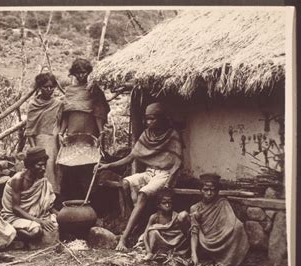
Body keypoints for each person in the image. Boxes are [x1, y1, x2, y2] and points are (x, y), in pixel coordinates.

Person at [97, 102, 183, 251]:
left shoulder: (172, 135)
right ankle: (134, 222)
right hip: (149, 172)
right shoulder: (146, 135)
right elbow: (131, 157)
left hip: (164, 174)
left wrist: (169, 182)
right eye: (147, 119)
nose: (149, 122)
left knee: (142, 194)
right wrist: (108, 166)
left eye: (153, 119)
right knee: (125, 183)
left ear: (162, 119)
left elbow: (177, 162)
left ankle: (124, 238)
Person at [58, 58, 110, 201]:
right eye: (78, 72)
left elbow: (99, 112)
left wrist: (100, 133)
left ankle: (90, 201)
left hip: (89, 133)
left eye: (84, 72)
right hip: (73, 134)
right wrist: (61, 133)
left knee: (89, 167)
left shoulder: (93, 89)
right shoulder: (70, 91)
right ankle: (72, 201)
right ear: (73, 73)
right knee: (70, 166)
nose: (81, 75)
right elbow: (66, 114)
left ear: (89, 72)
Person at [190, 173, 249, 266]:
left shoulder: (222, 203)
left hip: (221, 238)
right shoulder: (195, 208)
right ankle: (203, 256)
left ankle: (228, 259)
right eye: (206, 190)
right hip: (204, 241)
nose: (209, 193)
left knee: (238, 226)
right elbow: (194, 232)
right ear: (200, 190)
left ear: (217, 191)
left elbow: (231, 222)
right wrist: (194, 254)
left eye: (212, 190)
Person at [1, 147, 58, 241]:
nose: (43, 168)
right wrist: (40, 221)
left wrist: (61, 215)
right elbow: (16, 208)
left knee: (56, 224)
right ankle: (16, 234)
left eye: (44, 165)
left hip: (36, 215)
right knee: (36, 231)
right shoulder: (18, 180)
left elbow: (48, 206)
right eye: (39, 165)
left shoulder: (41, 180)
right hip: (14, 217)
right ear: (30, 165)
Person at [25, 73, 63, 194]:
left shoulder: (58, 104)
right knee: (43, 169)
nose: (49, 89)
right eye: (45, 86)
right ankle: (42, 196)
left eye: (51, 87)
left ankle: (55, 196)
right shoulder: (33, 105)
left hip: (55, 140)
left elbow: (61, 122)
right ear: (39, 87)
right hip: (40, 142)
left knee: (56, 168)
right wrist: (34, 149)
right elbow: (30, 130)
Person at [137, 188, 189, 260]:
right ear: (158, 205)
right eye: (164, 203)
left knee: (182, 235)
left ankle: (170, 253)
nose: (167, 205)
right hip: (158, 243)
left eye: (170, 202)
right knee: (152, 232)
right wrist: (148, 251)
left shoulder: (175, 216)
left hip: (172, 242)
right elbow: (146, 234)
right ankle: (152, 253)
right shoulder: (154, 217)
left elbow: (178, 232)